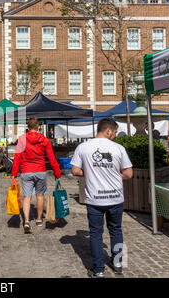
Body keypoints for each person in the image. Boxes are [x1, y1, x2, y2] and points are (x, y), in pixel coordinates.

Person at [71, 118, 133, 278]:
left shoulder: (83, 147)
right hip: (115, 198)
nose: (115, 135)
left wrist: (91, 173)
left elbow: (75, 171)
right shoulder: (119, 148)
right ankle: (118, 263)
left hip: (95, 199)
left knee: (96, 233)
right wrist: (114, 174)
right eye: (115, 132)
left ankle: (98, 270)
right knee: (116, 230)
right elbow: (128, 174)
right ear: (108, 131)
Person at [12, 117, 61, 234]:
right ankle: (39, 219)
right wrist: (57, 173)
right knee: (40, 195)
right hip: (40, 170)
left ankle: (27, 221)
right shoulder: (44, 139)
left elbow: (17, 157)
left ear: (28, 127)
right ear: (38, 127)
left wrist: (14, 174)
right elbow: (52, 158)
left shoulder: (22, 139)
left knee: (27, 197)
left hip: (26, 171)